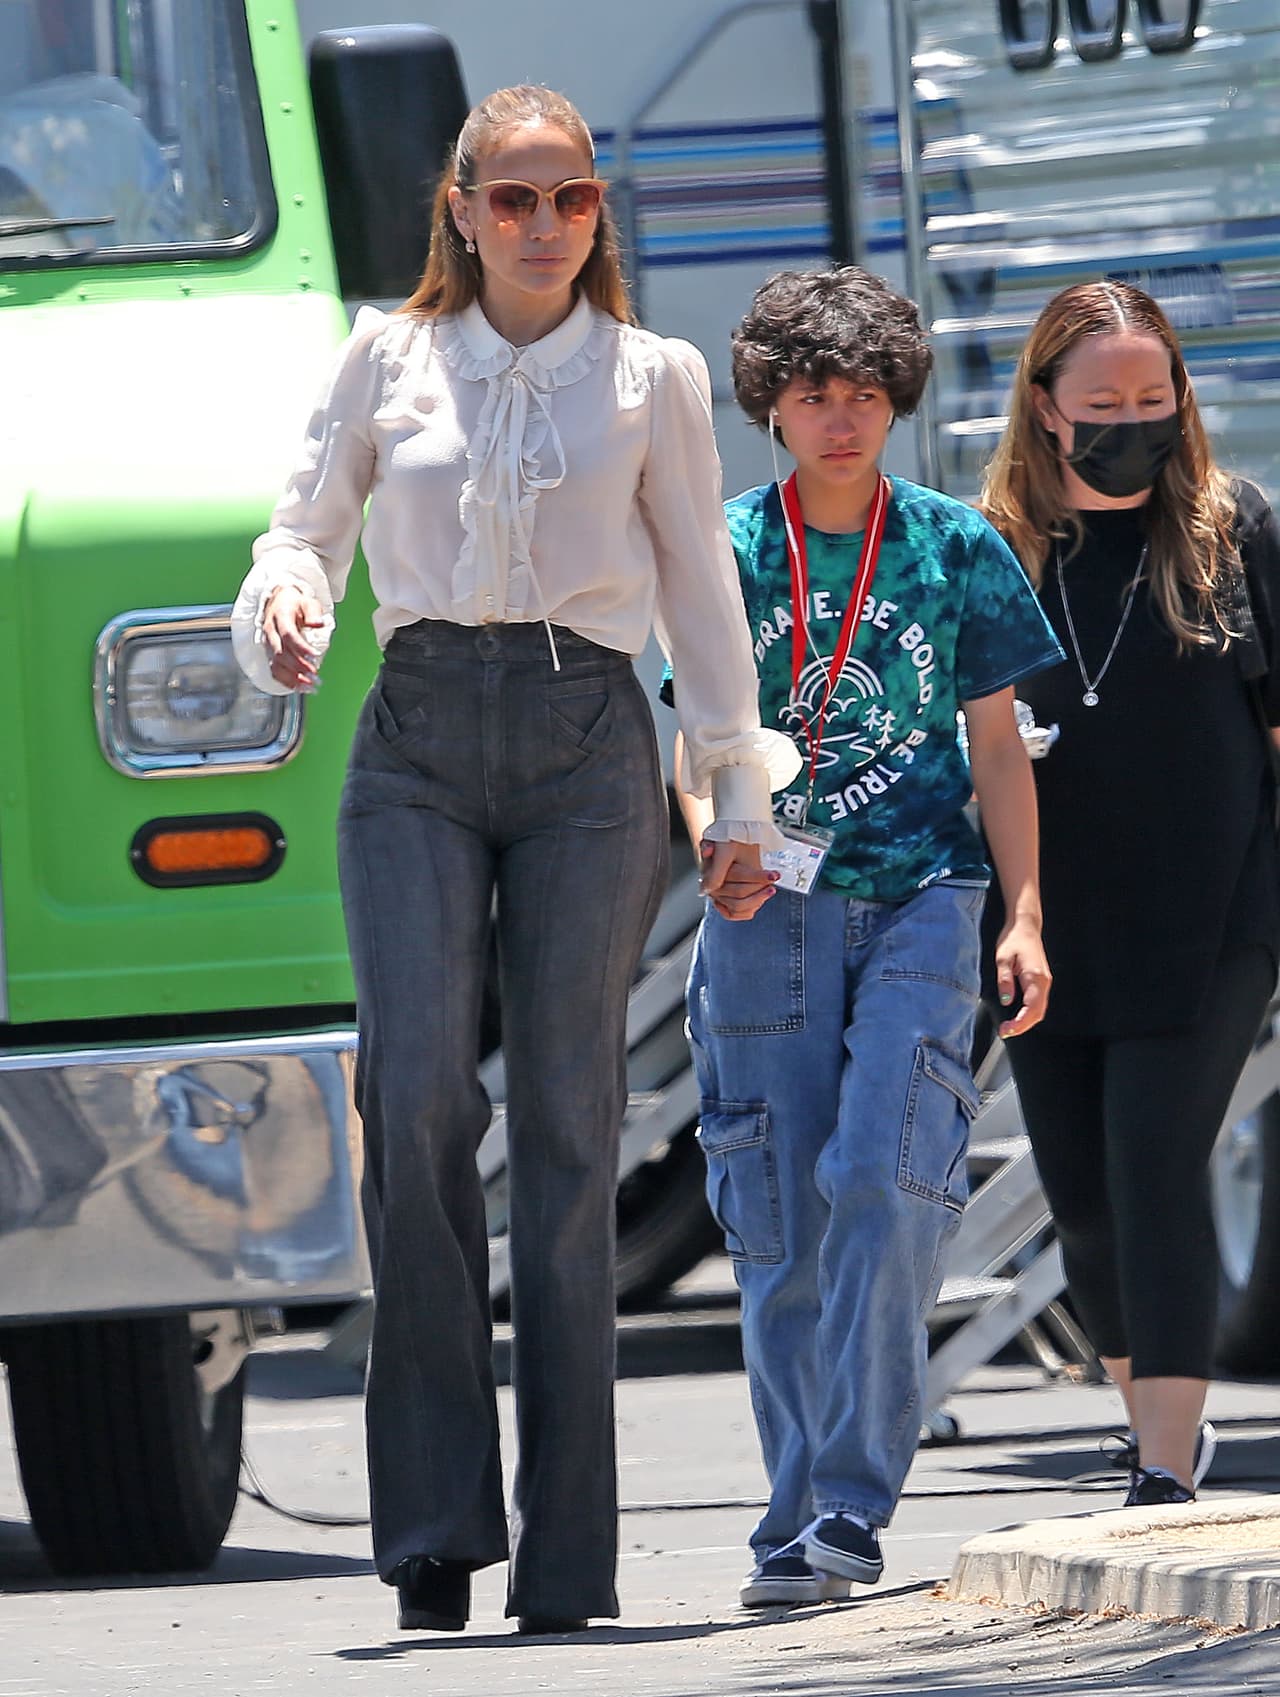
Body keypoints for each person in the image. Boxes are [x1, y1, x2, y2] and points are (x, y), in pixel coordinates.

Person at [230, 85, 797, 1636]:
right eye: (516, 199)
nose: (546, 226)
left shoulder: (655, 375)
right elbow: (302, 533)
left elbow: (701, 597)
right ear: (461, 209)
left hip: (587, 747)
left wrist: (739, 806)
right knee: (411, 1095)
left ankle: (567, 1564)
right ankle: (429, 1527)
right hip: (413, 734)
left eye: (574, 200)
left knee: (569, 1121)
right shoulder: (382, 353)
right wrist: (280, 607)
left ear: (599, 215)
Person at [668, 266, 1063, 1609]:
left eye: (868, 398)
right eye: (815, 397)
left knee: (888, 1181)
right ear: (771, 406)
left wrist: (1023, 911)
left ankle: (850, 1498)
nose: (843, 422)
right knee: (776, 1221)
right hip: (763, 904)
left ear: (898, 403)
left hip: (926, 895)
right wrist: (707, 835)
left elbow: (999, 750)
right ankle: (793, 1518)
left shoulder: (953, 546)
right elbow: (695, 737)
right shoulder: (721, 548)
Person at [979, 279, 1280, 1507]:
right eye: (1101, 401)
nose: (1131, 421)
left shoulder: (1228, 526)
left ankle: (1162, 1461)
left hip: (1216, 909)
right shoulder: (990, 546)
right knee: (1080, 1194)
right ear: (1045, 406)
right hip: (1050, 913)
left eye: (1152, 398)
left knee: (1153, 1158)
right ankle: (1147, 1421)